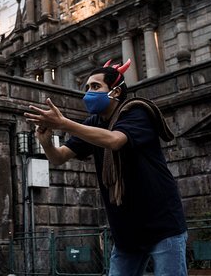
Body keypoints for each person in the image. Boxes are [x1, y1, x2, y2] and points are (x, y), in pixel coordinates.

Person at [24, 60, 188, 275]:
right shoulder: (93, 123)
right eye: (86, 88)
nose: (88, 94)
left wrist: (64, 123)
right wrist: (45, 140)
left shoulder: (137, 112)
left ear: (116, 91)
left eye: (95, 87)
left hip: (162, 225)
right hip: (126, 231)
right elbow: (59, 157)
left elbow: (114, 140)